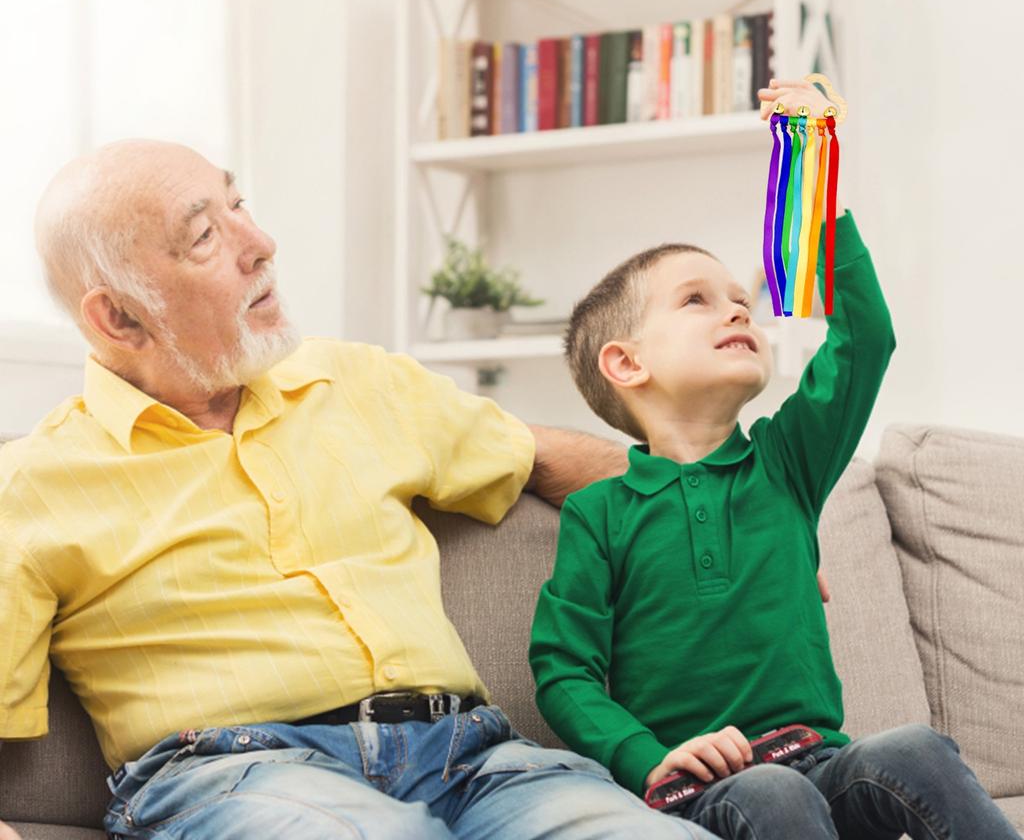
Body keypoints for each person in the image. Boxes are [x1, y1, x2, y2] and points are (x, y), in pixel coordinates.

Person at [0, 140, 723, 840]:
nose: (261, 242)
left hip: (471, 758)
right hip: (236, 775)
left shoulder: (360, 384)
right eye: (203, 237)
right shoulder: (35, 482)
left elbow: (543, 457)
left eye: (239, 204)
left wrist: (729, 522)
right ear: (118, 317)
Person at [529, 80, 1020, 839]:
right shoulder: (601, 513)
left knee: (915, 749)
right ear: (625, 364)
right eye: (696, 300)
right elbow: (564, 670)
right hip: (699, 791)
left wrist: (815, 186)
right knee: (772, 796)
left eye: (740, 299)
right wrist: (648, 756)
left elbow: (865, 339)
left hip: (822, 760)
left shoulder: (786, 463)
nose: (736, 308)